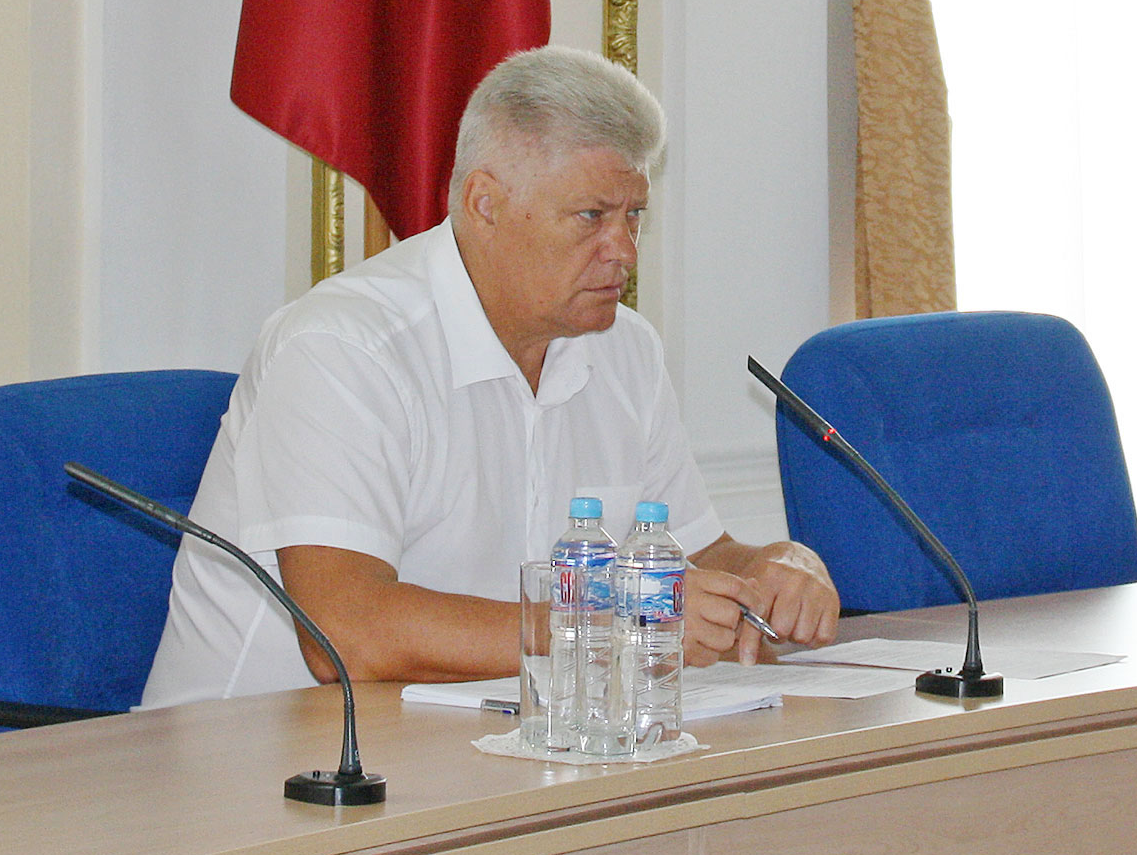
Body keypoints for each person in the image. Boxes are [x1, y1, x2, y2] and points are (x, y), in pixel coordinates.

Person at [141, 45, 840, 706]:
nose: (625, 251)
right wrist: (608, 628)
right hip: (259, 755)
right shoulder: (344, 348)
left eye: (634, 216)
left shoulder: (626, 350)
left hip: (478, 738)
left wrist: (780, 570)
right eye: (591, 216)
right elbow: (348, 634)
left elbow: (697, 555)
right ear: (485, 203)